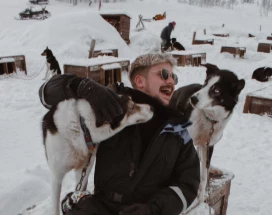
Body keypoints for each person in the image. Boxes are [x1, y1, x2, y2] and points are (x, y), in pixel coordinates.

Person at [39, 53, 200, 215]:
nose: (171, 81)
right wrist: (80, 86)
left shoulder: (178, 130)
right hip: (102, 208)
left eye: (174, 77)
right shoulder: (110, 106)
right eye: (164, 74)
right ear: (140, 81)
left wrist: (153, 210)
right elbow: (46, 95)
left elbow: (188, 183)